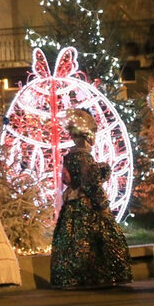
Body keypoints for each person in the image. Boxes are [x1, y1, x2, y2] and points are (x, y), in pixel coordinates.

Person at [51, 109, 132, 289]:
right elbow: (90, 184)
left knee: (72, 239)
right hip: (87, 204)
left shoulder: (69, 156)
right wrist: (101, 202)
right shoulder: (84, 157)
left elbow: (67, 180)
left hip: (72, 203)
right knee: (93, 238)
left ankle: (71, 276)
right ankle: (93, 275)